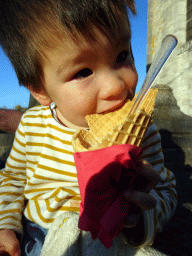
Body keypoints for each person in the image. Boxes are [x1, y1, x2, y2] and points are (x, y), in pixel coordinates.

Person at [0, 0, 177, 255]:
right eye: (83, 72)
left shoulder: (143, 132)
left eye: (122, 56)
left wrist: (140, 218)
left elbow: (165, 189)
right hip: (41, 235)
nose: (116, 85)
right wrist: (6, 224)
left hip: (116, 238)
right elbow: (13, 177)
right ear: (39, 89)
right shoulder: (32, 126)